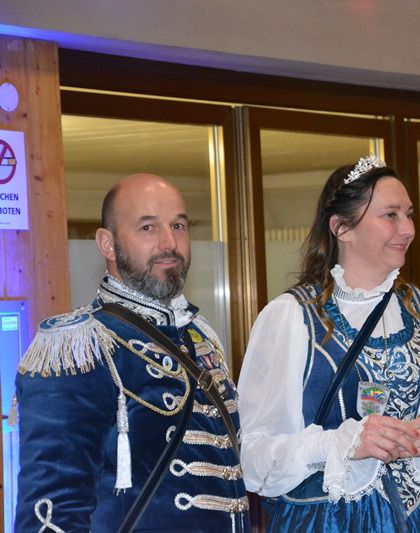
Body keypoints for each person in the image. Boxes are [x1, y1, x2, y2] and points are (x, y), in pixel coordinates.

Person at [238, 156, 420, 531]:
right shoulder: (290, 317)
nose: (408, 228)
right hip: (331, 521)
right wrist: (340, 444)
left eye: (409, 214)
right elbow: (254, 456)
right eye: (390, 215)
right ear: (342, 228)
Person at [14, 174, 249, 532]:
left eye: (178, 225)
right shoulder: (80, 348)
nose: (169, 243)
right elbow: (52, 509)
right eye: (148, 227)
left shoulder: (201, 337)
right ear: (107, 244)